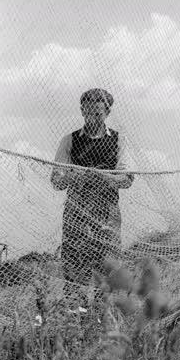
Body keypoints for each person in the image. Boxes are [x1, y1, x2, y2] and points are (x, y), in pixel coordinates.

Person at [51, 88, 133, 309]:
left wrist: (106, 177)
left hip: (107, 213)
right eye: (88, 113)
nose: (93, 118)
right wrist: (71, 174)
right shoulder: (69, 141)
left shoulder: (118, 140)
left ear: (107, 112)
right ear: (81, 111)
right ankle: (73, 315)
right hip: (76, 212)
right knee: (74, 263)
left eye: (98, 113)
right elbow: (56, 181)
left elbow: (127, 178)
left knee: (108, 264)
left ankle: (102, 316)